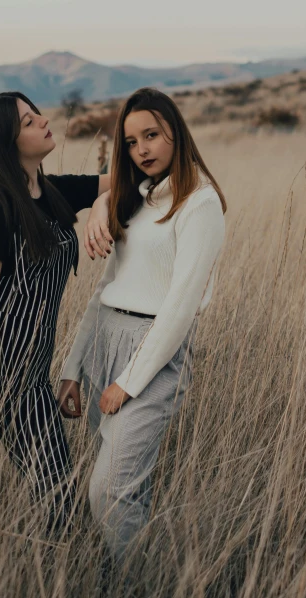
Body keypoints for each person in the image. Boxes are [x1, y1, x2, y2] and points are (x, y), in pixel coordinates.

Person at [0, 91, 112, 531]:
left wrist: (101, 205)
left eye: (35, 114)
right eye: (28, 122)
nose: (42, 121)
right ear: (4, 143)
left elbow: (122, 179)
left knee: (59, 500)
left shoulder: (52, 192)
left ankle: (54, 585)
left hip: (28, 377)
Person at [58, 87, 227, 564]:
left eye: (151, 135)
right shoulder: (136, 198)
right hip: (105, 340)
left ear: (176, 132)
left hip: (152, 354)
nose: (142, 150)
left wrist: (128, 383)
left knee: (107, 493)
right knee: (123, 489)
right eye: (131, 142)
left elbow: (180, 306)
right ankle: (128, 587)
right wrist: (73, 366)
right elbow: (105, 289)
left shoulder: (200, 204)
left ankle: (136, 597)